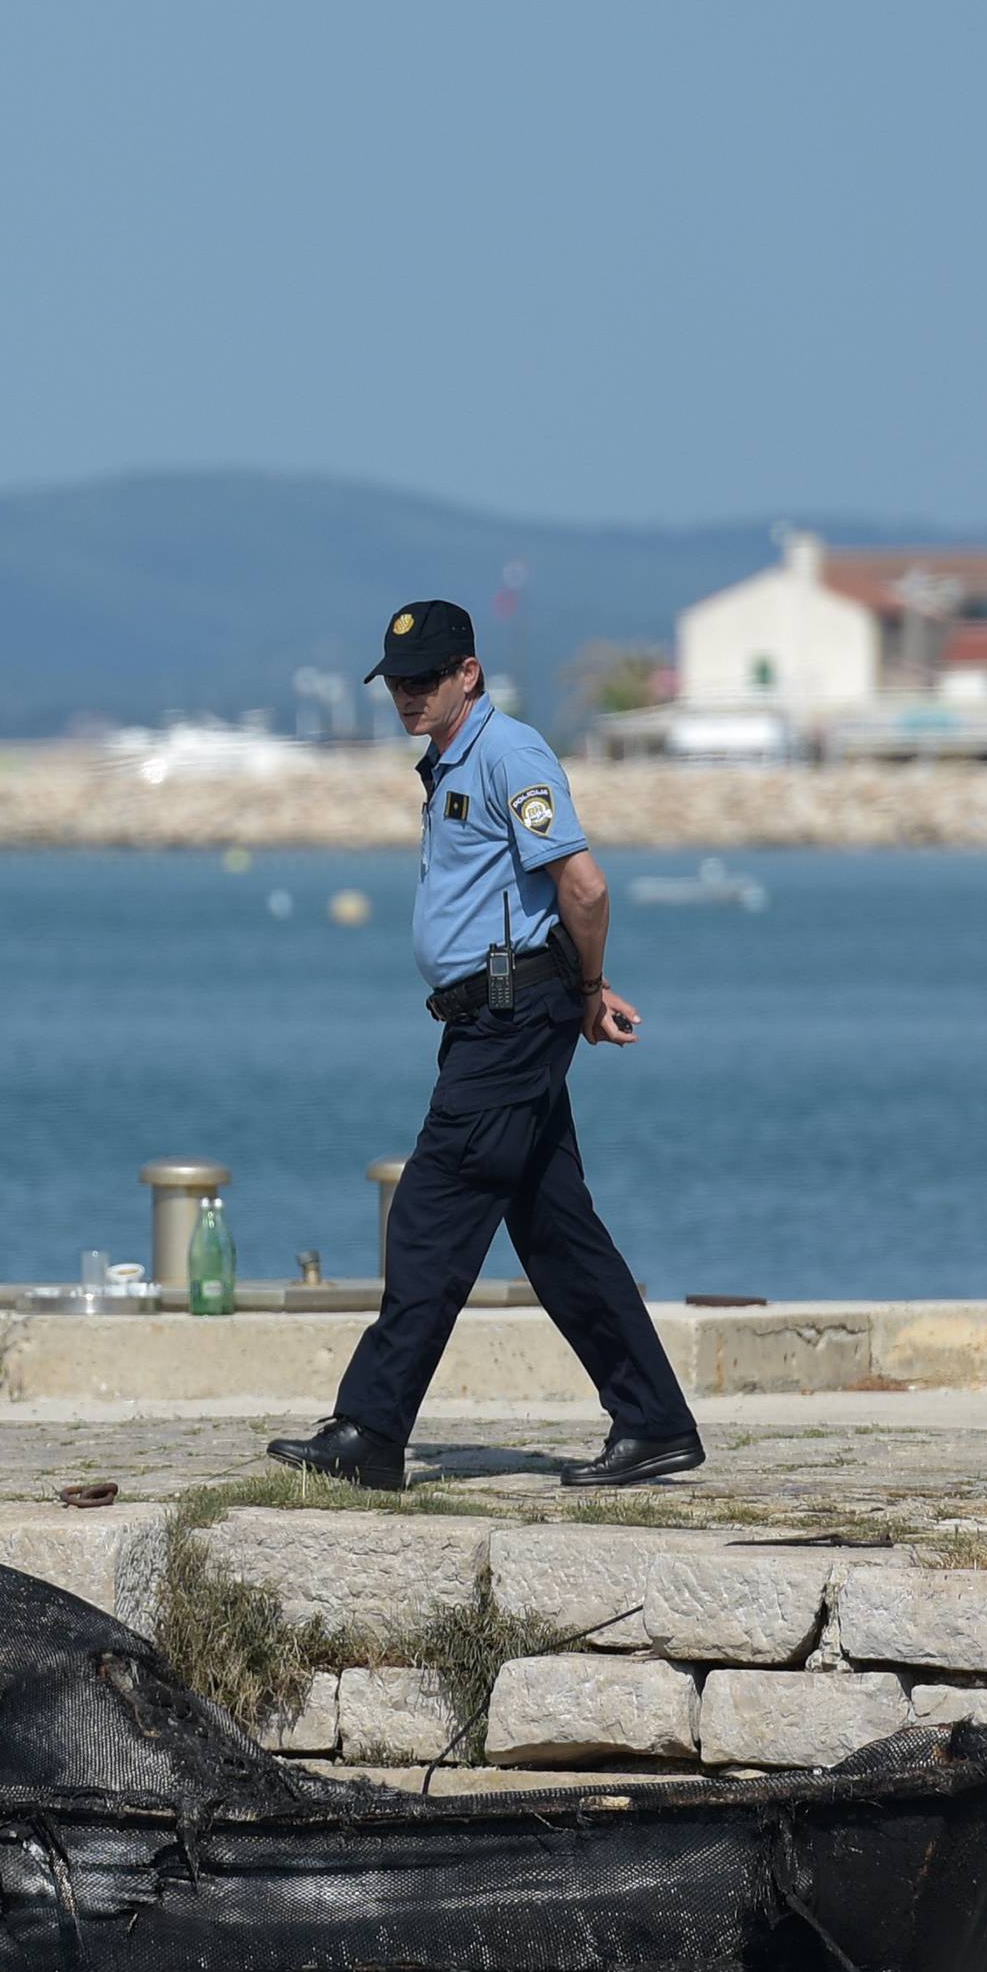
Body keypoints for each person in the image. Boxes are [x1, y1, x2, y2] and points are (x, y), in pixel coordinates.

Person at [268, 598, 704, 1495]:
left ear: (470, 673)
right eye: (397, 681)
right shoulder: (449, 758)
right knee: (556, 1232)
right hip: (492, 1017)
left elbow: (582, 889)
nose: (407, 695)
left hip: (511, 1022)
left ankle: (372, 1428)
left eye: (425, 678)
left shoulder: (510, 754)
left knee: (432, 1211)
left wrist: (586, 990)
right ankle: (654, 1422)